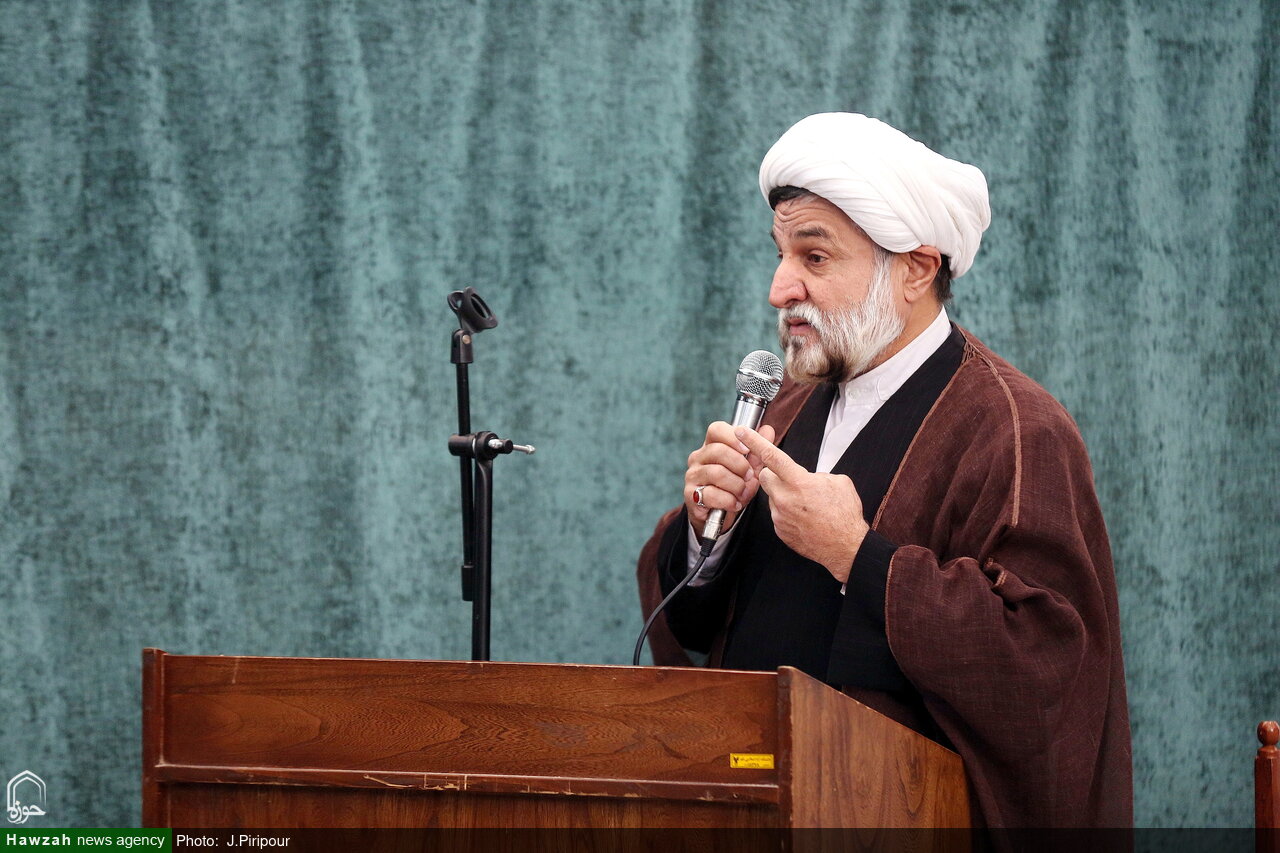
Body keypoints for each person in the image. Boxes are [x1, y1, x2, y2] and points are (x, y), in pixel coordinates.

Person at [635, 113, 1132, 829]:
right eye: (780, 255)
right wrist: (707, 536)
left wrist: (857, 555)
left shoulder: (1017, 428)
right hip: (747, 799)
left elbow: (1045, 664)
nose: (780, 289)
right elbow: (697, 618)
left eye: (814, 257)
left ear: (916, 269)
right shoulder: (790, 405)